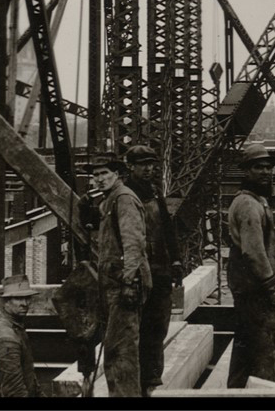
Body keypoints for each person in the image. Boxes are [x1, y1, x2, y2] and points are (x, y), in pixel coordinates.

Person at [124, 144, 183, 396]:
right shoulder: (124, 196)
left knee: (158, 325)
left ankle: (151, 380)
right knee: (137, 328)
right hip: (137, 273)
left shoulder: (155, 193)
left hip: (159, 271)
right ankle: (137, 381)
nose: (149, 169)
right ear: (131, 167)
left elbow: (168, 229)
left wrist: (177, 261)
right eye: (143, 164)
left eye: (151, 164)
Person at [91, 152, 151, 398]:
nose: (99, 179)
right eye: (95, 175)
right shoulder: (110, 199)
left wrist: (128, 281)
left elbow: (133, 243)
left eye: (104, 173)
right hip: (114, 284)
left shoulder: (123, 198)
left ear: (117, 174)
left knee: (121, 350)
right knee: (116, 348)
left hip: (124, 285)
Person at [227, 142, 275, 388]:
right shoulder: (249, 204)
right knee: (268, 350)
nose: (265, 172)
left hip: (246, 290)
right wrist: (272, 287)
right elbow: (254, 252)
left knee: (244, 350)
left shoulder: (252, 200)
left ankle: (235, 393)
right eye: (258, 167)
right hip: (256, 292)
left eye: (268, 167)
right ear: (246, 172)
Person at [0, 273, 43, 397]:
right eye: (19, 298)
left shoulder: (14, 327)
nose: (25, 303)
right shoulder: (6, 338)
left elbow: (30, 379)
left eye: (27, 298)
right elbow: (14, 392)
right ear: (6, 301)